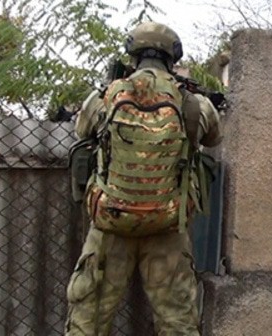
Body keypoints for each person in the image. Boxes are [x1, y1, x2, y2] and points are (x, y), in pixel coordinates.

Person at [65, 22, 222, 336]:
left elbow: (81, 130)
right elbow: (215, 138)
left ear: (132, 54)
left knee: (88, 321)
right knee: (178, 321)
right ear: (172, 58)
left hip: (110, 224)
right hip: (168, 225)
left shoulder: (106, 97)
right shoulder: (192, 104)